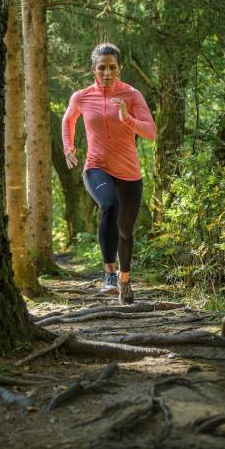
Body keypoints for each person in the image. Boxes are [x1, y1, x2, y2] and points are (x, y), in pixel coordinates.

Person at [61, 42, 156, 304]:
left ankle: (125, 281)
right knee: (109, 206)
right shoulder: (81, 96)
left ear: (119, 68)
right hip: (96, 166)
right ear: (94, 69)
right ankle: (109, 275)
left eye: (112, 67)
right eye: (101, 67)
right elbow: (68, 120)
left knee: (126, 231)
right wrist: (68, 147)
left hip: (129, 173)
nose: (107, 73)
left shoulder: (132, 95)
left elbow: (150, 132)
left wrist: (127, 117)